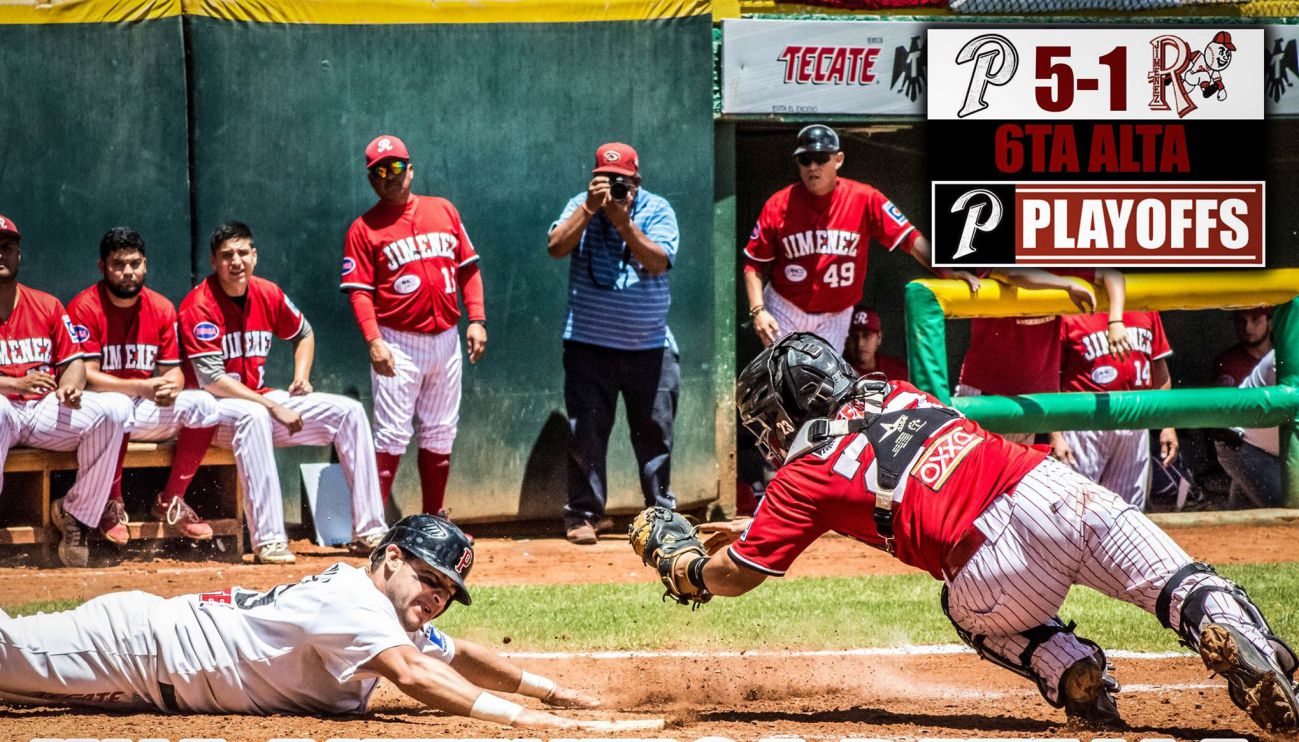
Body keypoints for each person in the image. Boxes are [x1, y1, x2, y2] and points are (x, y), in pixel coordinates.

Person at [632, 333, 1299, 733]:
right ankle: (1233, 632)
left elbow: (737, 576)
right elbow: (883, 464)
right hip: (1050, 494)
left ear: (790, 407)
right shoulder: (899, 393)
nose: (770, 433)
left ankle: (1069, 669)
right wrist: (754, 526)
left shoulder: (802, 476)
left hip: (987, 572)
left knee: (970, 617)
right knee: (1178, 584)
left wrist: (684, 568)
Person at [0, 514, 612, 729]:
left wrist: (553, 691)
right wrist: (523, 718)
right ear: (392, 558)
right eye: (429, 580)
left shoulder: (390, 611)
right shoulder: (355, 605)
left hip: (148, 676)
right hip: (131, 649)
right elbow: (414, 676)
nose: (435, 599)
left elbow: (456, 653)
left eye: (447, 592)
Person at [179, 221, 387, 564]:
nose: (236, 261)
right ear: (213, 262)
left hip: (259, 400)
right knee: (256, 414)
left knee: (348, 412)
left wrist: (301, 376)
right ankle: (270, 540)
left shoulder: (268, 292)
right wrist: (274, 407)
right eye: (227, 255)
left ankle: (370, 530)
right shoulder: (199, 305)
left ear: (255, 256)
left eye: (243, 252)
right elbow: (212, 380)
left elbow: (304, 333)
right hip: (208, 414)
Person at [342, 135, 487, 520]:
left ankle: (433, 519)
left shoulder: (443, 210)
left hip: (446, 339)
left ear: (411, 169)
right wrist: (373, 340)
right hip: (397, 341)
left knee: (441, 431)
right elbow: (359, 293)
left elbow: (468, 269)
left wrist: (477, 318)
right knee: (390, 434)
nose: (389, 177)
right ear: (371, 179)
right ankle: (370, 525)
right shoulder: (364, 228)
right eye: (380, 171)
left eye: (396, 167)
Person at [742, 124, 977, 354]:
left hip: (835, 314)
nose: (813, 166)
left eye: (821, 158)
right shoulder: (779, 204)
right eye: (805, 160)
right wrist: (758, 310)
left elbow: (909, 237)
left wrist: (947, 270)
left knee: (822, 384)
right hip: (786, 307)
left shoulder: (864, 198)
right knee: (789, 380)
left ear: (839, 160)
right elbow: (753, 262)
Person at [546, 142, 679, 545]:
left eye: (623, 182)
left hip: (650, 346)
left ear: (637, 181)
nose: (616, 189)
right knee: (585, 432)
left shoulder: (657, 209)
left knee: (655, 435)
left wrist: (623, 224)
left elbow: (659, 259)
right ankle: (583, 515)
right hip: (589, 345)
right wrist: (589, 208)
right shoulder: (580, 205)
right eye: (607, 180)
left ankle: (660, 515)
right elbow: (555, 247)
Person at [68, 227, 218, 544]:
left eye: (134, 263)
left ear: (145, 264)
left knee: (204, 405)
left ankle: (170, 500)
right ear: (102, 267)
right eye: (118, 264)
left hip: (142, 409)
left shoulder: (161, 308)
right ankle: (112, 503)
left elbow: (172, 371)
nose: (127, 272)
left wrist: (170, 387)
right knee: (118, 406)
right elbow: (87, 376)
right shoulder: (86, 307)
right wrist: (142, 387)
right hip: (98, 413)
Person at [0, 214, 133, 567]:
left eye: (7, 247)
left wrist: (70, 386)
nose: (1, 255)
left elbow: (73, 361)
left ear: (18, 254)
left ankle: (77, 514)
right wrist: (13, 384)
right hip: (3, 412)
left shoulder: (46, 305)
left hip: (41, 410)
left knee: (116, 408)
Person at [957, 269, 1127, 445]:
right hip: (987, 390)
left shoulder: (1055, 263)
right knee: (978, 465)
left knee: (1017, 469)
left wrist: (1116, 320)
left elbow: (1113, 275)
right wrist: (1067, 284)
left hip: (1034, 397)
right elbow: (1009, 273)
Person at [1053, 310, 1177, 511]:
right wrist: (1056, 435)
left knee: (1130, 511)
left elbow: (1160, 370)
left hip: (1135, 419)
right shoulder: (1071, 311)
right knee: (1075, 508)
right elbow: (1053, 377)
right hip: (1084, 423)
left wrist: (1167, 424)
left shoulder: (1146, 308)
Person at [1215, 350, 1283, 509]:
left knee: (1242, 521)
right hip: (1243, 445)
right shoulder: (1285, 359)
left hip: (1271, 450)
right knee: (1289, 512)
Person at [1212, 307, 1272, 388]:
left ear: (1270, 322)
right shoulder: (1228, 363)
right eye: (1240, 321)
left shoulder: (1285, 355)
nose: (1248, 328)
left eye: (1255, 319)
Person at [842, 307, 906, 380]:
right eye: (853, 336)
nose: (860, 344)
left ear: (879, 338)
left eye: (866, 335)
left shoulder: (897, 371)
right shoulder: (838, 372)